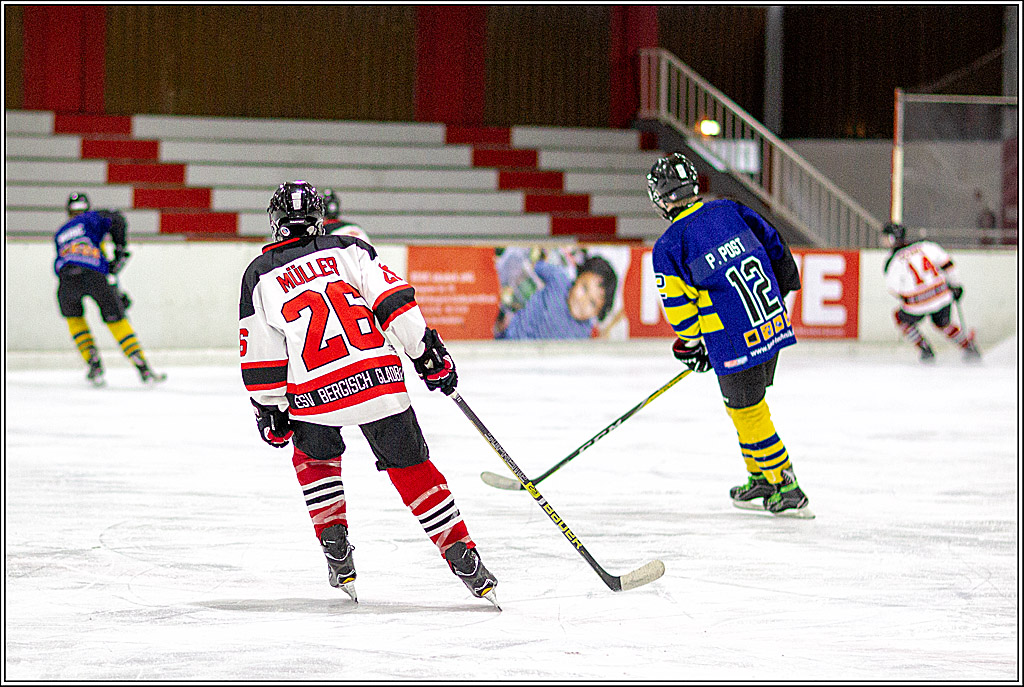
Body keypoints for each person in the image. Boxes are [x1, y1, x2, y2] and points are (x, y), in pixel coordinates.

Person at [239, 180, 498, 607]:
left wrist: (270, 407)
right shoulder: (350, 247)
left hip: (314, 392)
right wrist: (425, 352)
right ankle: (462, 554)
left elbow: (263, 354)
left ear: (276, 221)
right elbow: (394, 301)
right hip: (379, 377)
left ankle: (336, 549)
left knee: (314, 459)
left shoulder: (259, 274)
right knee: (412, 467)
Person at [646, 153, 812, 518]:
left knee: (750, 411)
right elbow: (775, 244)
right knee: (741, 406)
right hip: (769, 322)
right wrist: (780, 294)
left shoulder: (670, 245)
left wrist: (693, 344)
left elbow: (679, 307)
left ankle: (788, 486)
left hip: (734, 339)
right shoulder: (729, 209)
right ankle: (761, 477)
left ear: (661, 197)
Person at [53, 192, 165, 386]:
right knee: (116, 320)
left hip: (66, 278)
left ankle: (93, 364)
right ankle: (142, 367)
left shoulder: (60, 233)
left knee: (75, 319)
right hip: (94, 274)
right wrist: (120, 248)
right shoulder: (91, 219)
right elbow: (117, 218)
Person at [881, 222, 981, 362]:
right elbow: (948, 265)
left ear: (892, 238)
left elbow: (894, 289)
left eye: (885, 237)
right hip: (942, 295)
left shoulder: (892, 261)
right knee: (943, 323)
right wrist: (955, 285)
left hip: (917, 304)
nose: (883, 240)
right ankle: (967, 346)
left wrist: (910, 297)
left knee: (900, 318)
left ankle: (925, 350)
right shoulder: (926, 246)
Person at [493, 250, 618, 340]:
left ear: (598, 313)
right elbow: (534, 265)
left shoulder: (584, 334)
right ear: (577, 278)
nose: (583, 301)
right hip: (510, 338)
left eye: (592, 303)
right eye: (584, 288)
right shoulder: (559, 278)